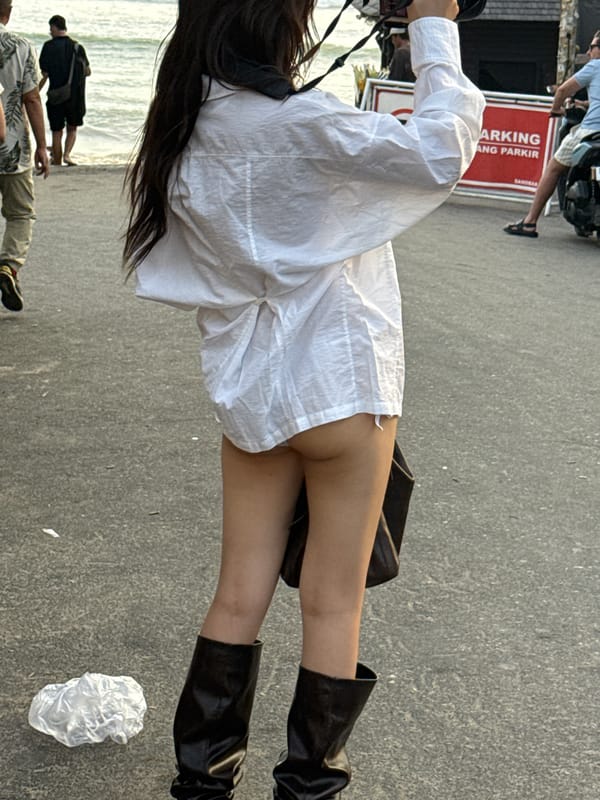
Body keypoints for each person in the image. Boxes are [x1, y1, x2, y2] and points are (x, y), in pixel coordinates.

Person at [124, 1, 484, 798]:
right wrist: (432, 26)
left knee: (237, 593)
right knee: (331, 603)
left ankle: (201, 785)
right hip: (339, 387)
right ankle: (308, 786)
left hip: (251, 394)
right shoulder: (304, 123)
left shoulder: (183, 129)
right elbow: (441, 149)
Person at [504, 30, 600, 238]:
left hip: (592, 130)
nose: (588, 51)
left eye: (591, 47)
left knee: (554, 168)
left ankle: (530, 222)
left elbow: (563, 90)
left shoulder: (595, 66)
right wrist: (584, 104)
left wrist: (556, 109)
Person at [0, 0, 49, 314]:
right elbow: (31, 98)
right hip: (13, 151)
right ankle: (8, 266)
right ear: (9, 11)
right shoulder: (21, 46)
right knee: (20, 214)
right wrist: (44, 146)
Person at [39, 15, 91, 167]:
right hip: (75, 96)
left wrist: (36, 91)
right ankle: (67, 155)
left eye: (50, 29)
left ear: (54, 27)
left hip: (56, 95)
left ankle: (57, 159)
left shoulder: (48, 47)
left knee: (57, 131)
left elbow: (44, 74)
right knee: (72, 128)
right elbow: (88, 71)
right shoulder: (78, 47)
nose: (50, 32)